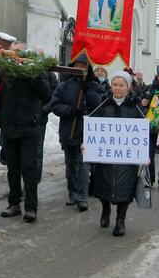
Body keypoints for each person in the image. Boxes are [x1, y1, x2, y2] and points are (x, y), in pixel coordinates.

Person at [0, 45, 51, 222]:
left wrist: (31, 73)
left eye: (19, 53)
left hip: (29, 128)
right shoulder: (5, 72)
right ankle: (14, 204)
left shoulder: (35, 71)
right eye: (12, 52)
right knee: (12, 169)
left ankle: (31, 207)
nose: (14, 55)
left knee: (29, 169)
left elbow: (46, 93)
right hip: (9, 127)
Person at [90, 70, 147, 236]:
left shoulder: (135, 106)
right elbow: (94, 127)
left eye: (121, 85)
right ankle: (105, 209)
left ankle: (120, 219)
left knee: (126, 187)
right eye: (115, 84)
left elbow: (142, 131)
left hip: (127, 158)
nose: (117, 88)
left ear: (128, 87)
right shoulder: (103, 103)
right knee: (103, 183)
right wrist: (87, 144)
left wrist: (144, 153)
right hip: (105, 156)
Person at [50, 52, 103, 211]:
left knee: (83, 165)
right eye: (77, 66)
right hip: (69, 130)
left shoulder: (95, 86)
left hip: (86, 133)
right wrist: (70, 110)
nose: (80, 69)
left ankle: (82, 196)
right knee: (70, 164)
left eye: (83, 66)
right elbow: (55, 105)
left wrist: (88, 90)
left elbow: (99, 106)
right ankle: (72, 193)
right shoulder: (64, 86)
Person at [36, 48, 59, 183]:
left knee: (38, 152)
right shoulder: (25, 71)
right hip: (26, 118)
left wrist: (45, 109)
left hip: (40, 118)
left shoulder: (49, 72)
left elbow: (55, 94)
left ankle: (34, 181)